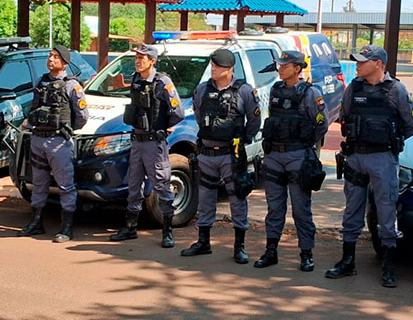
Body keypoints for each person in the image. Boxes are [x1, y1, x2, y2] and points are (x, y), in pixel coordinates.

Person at [328, 45, 413, 287]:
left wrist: (391, 140)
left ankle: (388, 267)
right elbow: (344, 116)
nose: (357, 65)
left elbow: (412, 124)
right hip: (356, 157)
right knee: (352, 211)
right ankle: (348, 262)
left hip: (383, 159)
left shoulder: (396, 90)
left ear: (378, 63)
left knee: (386, 212)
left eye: (362, 61)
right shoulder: (354, 88)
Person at [180, 48, 261, 261]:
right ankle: (203, 242)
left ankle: (239, 247)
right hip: (206, 153)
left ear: (229, 69)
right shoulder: (201, 90)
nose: (213, 69)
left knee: (237, 197)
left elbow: (254, 121)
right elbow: (199, 115)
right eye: (212, 65)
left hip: (231, 155)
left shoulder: (244, 91)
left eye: (217, 66)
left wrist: (243, 139)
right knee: (206, 199)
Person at [254, 51, 327, 272]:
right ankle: (271, 251)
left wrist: (305, 145)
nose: (281, 68)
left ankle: (306, 253)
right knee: (274, 207)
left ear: (297, 68)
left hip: (298, 156)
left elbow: (321, 125)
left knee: (300, 209)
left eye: (285, 65)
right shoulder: (276, 89)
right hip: (275, 155)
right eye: (280, 65)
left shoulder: (310, 93)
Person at [110, 44, 184, 248]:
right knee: (134, 186)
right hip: (137, 141)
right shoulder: (136, 79)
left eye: (142, 57)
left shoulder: (162, 82)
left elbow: (178, 113)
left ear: (152, 61)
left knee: (161, 184)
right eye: (136, 57)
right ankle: (130, 227)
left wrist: (163, 127)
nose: (137, 60)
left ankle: (167, 231)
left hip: (154, 143)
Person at [18, 45, 88, 243]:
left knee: (66, 185)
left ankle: (66, 227)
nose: (50, 59)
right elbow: (34, 107)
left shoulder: (71, 85)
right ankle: (36, 222)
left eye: (56, 57)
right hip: (38, 139)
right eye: (50, 56)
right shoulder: (42, 81)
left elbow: (82, 116)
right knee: (39, 183)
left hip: (58, 142)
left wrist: (66, 129)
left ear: (64, 63)